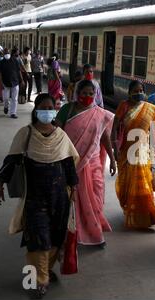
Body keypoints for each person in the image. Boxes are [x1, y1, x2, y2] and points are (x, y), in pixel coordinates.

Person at [0, 93, 79, 299]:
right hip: (35, 197)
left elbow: (68, 164)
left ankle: (45, 271)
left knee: (56, 236)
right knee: (37, 238)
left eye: (51, 107)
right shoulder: (27, 133)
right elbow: (12, 159)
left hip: (59, 196)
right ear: (36, 110)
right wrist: (0, 184)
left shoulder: (60, 135)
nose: (48, 111)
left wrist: (73, 189)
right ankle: (36, 280)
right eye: (44, 107)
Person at [55, 80, 116, 247]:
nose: (88, 97)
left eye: (91, 93)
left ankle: (94, 230)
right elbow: (55, 132)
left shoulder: (100, 113)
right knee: (74, 198)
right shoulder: (67, 110)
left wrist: (112, 158)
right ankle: (74, 230)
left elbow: (105, 138)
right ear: (77, 93)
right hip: (70, 162)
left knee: (96, 196)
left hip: (94, 162)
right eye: (84, 93)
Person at [111, 80, 155, 229]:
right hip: (127, 150)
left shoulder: (150, 109)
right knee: (127, 183)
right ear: (129, 92)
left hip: (143, 151)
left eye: (141, 90)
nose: (138, 93)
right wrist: (115, 148)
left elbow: (153, 134)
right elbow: (114, 128)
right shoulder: (123, 106)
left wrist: (154, 156)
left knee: (143, 182)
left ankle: (145, 215)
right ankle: (130, 208)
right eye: (135, 90)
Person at [0, 48, 24, 118]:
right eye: (5, 53)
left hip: (15, 82)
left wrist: (22, 80)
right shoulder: (1, 62)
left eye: (7, 53)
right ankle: (6, 106)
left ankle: (13, 113)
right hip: (5, 83)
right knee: (6, 98)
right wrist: (0, 82)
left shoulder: (15, 61)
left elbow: (19, 71)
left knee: (14, 99)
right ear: (3, 54)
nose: (6, 54)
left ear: (10, 53)